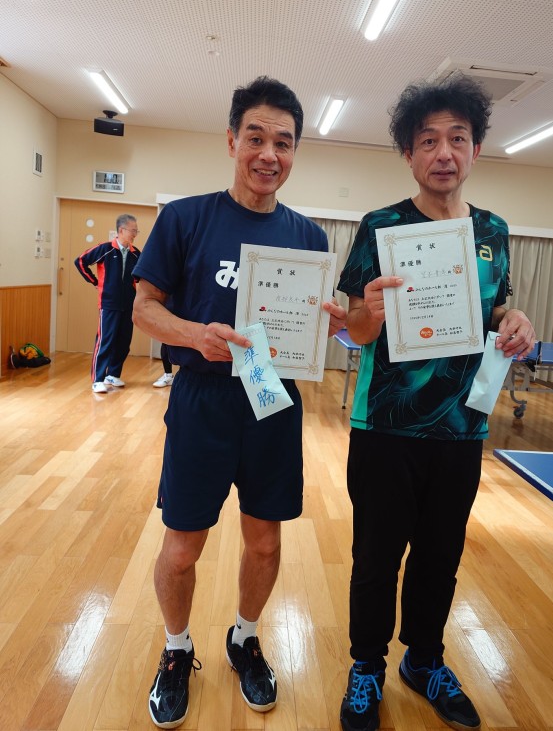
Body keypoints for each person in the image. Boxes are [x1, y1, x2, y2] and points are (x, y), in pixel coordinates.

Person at [131, 76, 346, 729]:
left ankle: (245, 637)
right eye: (256, 137)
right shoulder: (184, 218)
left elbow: (314, 328)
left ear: (294, 151)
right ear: (232, 141)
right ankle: (176, 648)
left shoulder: (308, 237)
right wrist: (194, 334)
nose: (268, 154)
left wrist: (332, 325)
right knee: (181, 547)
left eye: (283, 142)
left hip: (272, 399)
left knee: (265, 543)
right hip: (203, 398)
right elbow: (143, 308)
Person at [337, 75, 536, 731]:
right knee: (376, 558)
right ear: (409, 154)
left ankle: (423, 660)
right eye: (428, 140)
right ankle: (366, 666)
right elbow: (353, 329)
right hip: (385, 425)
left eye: (457, 138)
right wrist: (367, 313)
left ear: (475, 149)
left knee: (439, 557)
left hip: (460, 427)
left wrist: (514, 319)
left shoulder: (492, 230)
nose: (443, 152)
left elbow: (495, 306)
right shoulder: (381, 226)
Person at [75, 213, 141, 393]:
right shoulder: (105, 249)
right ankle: (98, 379)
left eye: (136, 231)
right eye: (133, 230)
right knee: (105, 340)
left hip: (128, 304)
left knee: (124, 342)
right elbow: (80, 261)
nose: (135, 234)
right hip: (109, 303)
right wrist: (95, 282)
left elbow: (139, 277)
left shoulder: (136, 254)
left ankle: (113, 374)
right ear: (121, 230)